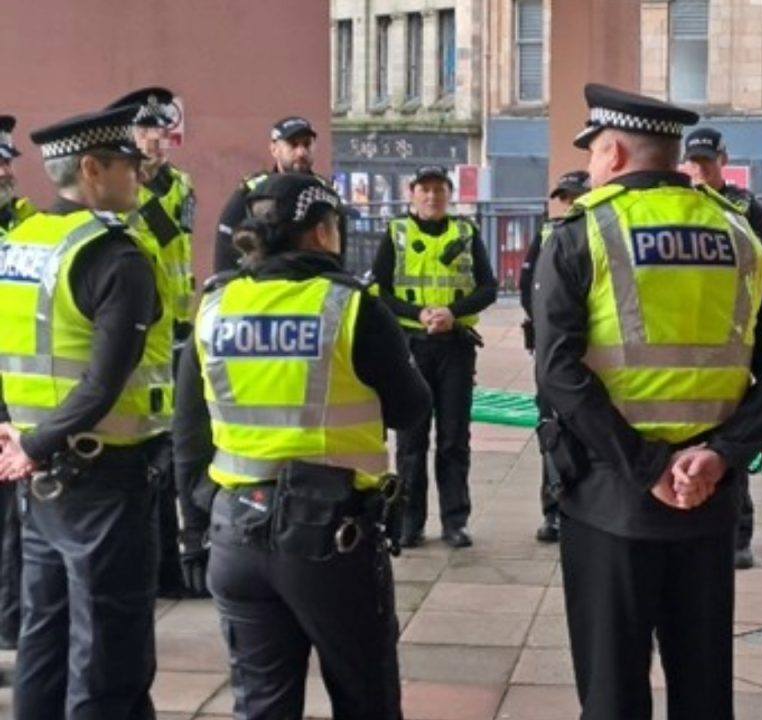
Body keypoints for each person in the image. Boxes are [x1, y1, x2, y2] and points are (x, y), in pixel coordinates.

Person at [534, 83, 762, 719]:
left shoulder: (584, 234)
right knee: (704, 686)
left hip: (610, 500)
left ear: (618, 155)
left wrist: (649, 467)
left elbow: (559, 374)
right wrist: (721, 454)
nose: (594, 167)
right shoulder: (741, 235)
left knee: (612, 692)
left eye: (598, 152)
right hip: (709, 500)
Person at [173, 173, 430, 718]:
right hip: (330, 537)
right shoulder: (350, 306)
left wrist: (197, 524)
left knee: (262, 702)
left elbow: (187, 431)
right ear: (321, 232)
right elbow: (412, 408)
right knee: (365, 696)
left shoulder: (216, 307)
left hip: (234, 531)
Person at [0, 106, 170, 719]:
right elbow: (102, 384)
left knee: (44, 635)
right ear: (93, 170)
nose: (140, 172)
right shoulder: (115, 256)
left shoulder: (19, 244)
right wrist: (35, 442)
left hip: (39, 478)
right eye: (128, 163)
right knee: (108, 650)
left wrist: (21, 435)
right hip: (101, 475)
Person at [373, 165, 498, 549]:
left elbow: (488, 288)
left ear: (449, 193)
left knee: (454, 438)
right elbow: (380, 289)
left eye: (439, 189)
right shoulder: (395, 233)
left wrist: (453, 314)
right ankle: (410, 522)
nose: (431, 197)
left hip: (455, 347)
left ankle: (455, 521)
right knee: (411, 440)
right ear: (412, 194)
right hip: (410, 347)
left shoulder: (466, 232)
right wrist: (419, 314)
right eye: (424, 190)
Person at [107, 86, 199, 599]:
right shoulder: (117, 188)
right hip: (139, 330)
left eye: (161, 131)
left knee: (175, 446)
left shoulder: (180, 185)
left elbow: (169, 235)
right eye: (145, 130)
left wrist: (143, 186)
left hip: (178, 330)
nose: (155, 140)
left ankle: (173, 564)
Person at [682, 126, 762, 570]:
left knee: (731, 441)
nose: (699, 170)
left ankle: (740, 535)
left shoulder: (745, 207)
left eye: (706, 161)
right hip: (689, 335)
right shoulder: (681, 202)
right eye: (693, 162)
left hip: (736, 334)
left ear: (723, 159)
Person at [519, 170, 590, 543]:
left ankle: (585, 508)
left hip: (590, 352)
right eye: (563, 198)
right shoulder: (548, 233)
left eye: (575, 196)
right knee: (551, 429)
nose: (567, 204)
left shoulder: (597, 233)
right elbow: (525, 287)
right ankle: (554, 511)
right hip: (551, 351)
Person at [0, 115, 34, 652]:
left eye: (7, 160)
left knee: (11, 522)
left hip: (11, 390)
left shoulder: (27, 225)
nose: (7, 170)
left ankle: (9, 627)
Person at [213, 116, 330, 272]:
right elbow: (226, 245)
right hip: (263, 283)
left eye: (307, 144)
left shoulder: (324, 193)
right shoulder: (254, 191)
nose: (301, 152)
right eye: (293, 145)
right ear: (274, 149)